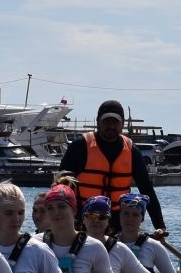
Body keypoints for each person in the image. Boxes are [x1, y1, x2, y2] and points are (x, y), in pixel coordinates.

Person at [58, 99, 165, 231]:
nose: (111, 125)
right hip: (85, 220)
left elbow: (147, 190)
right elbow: (60, 189)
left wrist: (160, 227)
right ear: (97, 121)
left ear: (122, 124)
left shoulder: (132, 151)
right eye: (106, 121)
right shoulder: (80, 146)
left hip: (117, 222)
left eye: (115, 121)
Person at [37, 182, 120, 273]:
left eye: (61, 206)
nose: (55, 212)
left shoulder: (94, 247)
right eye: (50, 208)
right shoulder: (34, 244)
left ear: (74, 210)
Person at [80, 195, 157, 273]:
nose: (96, 220)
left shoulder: (118, 249)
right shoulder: (71, 245)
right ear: (83, 218)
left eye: (102, 216)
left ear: (108, 220)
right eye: (90, 215)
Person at [115, 191, 181, 273]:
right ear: (120, 215)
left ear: (142, 218)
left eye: (135, 215)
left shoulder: (153, 246)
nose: (130, 219)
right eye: (126, 213)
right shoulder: (109, 244)